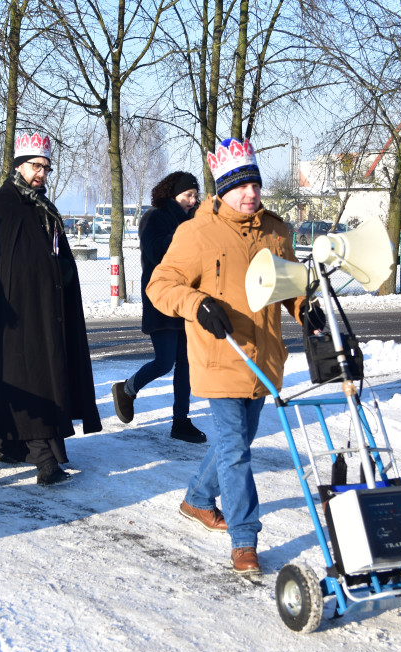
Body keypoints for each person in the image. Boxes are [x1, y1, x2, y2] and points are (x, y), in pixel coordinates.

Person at [147, 138, 305, 577]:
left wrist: (306, 310)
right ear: (223, 189)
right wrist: (197, 303)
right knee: (236, 450)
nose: (250, 193)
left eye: (255, 184)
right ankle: (245, 539)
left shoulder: (275, 231)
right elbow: (161, 286)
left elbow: (290, 285)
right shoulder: (197, 232)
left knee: (238, 442)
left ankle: (197, 498)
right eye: (240, 186)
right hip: (220, 355)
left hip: (264, 358)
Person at [0, 131, 101, 486]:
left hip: (43, 312)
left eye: (46, 168)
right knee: (31, 380)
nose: (42, 173)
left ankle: (0, 441)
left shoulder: (43, 207)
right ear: (19, 166)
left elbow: (47, 253)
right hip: (10, 320)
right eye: (36, 166)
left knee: (29, 380)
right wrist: (49, 271)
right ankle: (45, 460)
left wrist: (61, 270)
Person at [111, 171, 205, 443]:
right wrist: (186, 232)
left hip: (189, 297)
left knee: (186, 364)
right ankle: (127, 389)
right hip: (161, 298)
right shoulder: (154, 217)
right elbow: (155, 252)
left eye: (195, 195)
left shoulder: (194, 220)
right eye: (188, 195)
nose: (192, 200)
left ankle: (180, 421)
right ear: (172, 194)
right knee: (165, 361)